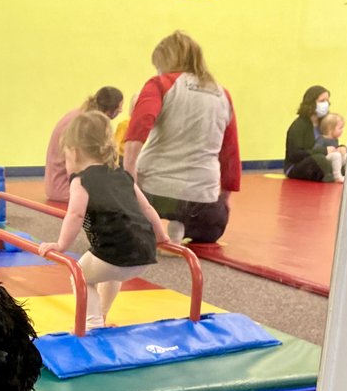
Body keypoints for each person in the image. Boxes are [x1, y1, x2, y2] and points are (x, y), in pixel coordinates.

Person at [38, 110, 166, 329]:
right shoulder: (122, 175)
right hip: (144, 252)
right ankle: (103, 315)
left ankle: (93, 322)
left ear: (75, 153)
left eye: (66, 158)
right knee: (109, 273)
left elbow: (75, 215)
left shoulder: (81, 180)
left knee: (79, 275)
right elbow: (146, 207)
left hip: (114, 254)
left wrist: (61, 245)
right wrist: (162, 236)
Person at [123, 32, 240, 244]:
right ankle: (183, 227)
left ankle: (154, 224)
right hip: (201, 201)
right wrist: (223, 201)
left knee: (118, 213)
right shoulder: (223, 95)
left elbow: (138, 128)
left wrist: (129, 177)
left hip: (156, 193)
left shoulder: (160, 84)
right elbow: (230, 152)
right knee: (213, 228)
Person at [44, 86, 123, 203]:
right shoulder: (85, 124)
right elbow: (74, 163)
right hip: (64, 188)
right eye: (118, 111)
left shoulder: (81, 116)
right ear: (109, 112)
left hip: (58, 183)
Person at [284, 85, 334, 181]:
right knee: (319, 159)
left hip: (321, 158)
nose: (326, 104)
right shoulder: (299, 125)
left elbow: (331, 142)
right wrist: (324, 151)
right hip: (296, 166)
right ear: (311, 103)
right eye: (322, 101)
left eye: (327, 101)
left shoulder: (324, 123)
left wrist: (340, 149)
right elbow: (295, 154)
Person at [318, 112, 347, 183]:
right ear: (330, 129)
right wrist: (326, 150)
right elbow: (317, 151)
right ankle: (337, 177)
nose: (342, 130)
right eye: (340, 128)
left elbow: (336, 148)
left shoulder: (335, 139)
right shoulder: (321, 139)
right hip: (325, 161)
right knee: (336, 155)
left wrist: (341, 149)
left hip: (334, 160)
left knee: (346, 155)